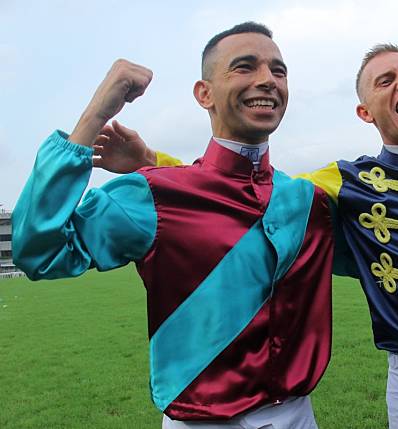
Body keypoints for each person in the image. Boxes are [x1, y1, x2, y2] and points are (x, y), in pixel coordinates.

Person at [105, 43, 398, 427]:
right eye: (386, 81)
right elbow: (245, 197)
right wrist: (152, 161)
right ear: (364, 111)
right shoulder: (345, 184)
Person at [12, 22, 336, 429]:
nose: (267, 81)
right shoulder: (150, 195)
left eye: (278, 70)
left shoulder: (309, 202)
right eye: (245, 67)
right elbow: (38, 252)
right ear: (204, 94)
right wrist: (95, 114)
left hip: (299, 416)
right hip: (201, 421)